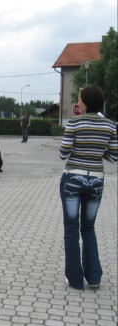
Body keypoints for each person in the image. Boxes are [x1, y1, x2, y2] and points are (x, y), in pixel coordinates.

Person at [59, 85, 117, 290]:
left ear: (86, 102)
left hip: (73, 180)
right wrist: (96, 150)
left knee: (71, 228)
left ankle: (74, 279)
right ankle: (94, 277)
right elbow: (114, 156)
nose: (77, 102)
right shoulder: (110, 125)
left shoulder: (74, 123)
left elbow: (63, 154)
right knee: (88, 228)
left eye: (79, 98)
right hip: (96, 182)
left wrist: (79, 147)